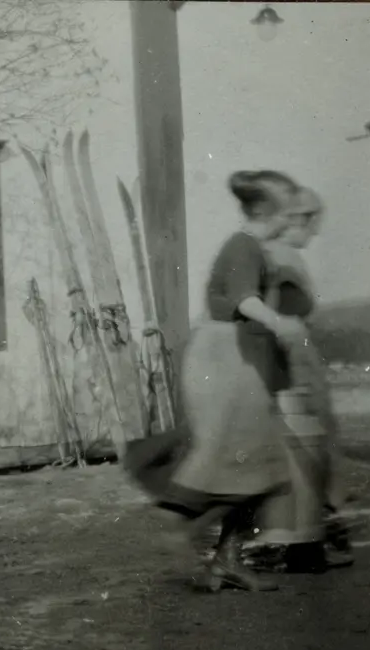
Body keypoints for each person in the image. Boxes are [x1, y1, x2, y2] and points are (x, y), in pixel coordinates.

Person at [124, 169, 307, 593]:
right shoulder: (243, 246)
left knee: (254, 464)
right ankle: (182, 526)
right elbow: (244, 299)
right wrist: (280, 323)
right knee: (240, 462)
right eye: (288, 210)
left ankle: (225, 559)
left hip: (237, 357)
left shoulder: (256, 248)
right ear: (265, 210)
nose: (292, 218)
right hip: (226, 358)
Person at [255, 187, 355, 572]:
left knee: (304, 449)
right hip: (293, 359)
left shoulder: (276, 255)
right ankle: (307, 544)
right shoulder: (282, 257)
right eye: (312, 225)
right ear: (298, 219)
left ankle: (306, 539)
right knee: (308, 447)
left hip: (291, 357)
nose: (314, 235)